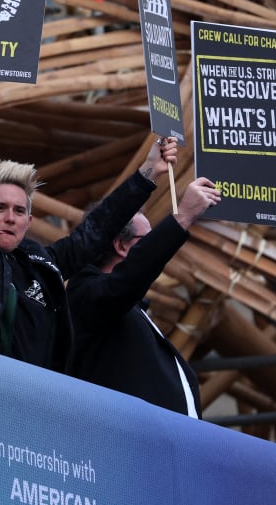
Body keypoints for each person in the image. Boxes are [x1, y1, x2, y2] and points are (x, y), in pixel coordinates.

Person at [0, 73, 174, 371]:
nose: (10, 218)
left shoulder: (42, 263)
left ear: (29, 221)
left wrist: (147, 173)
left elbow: (95, 232)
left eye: (18, 211)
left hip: (37, 401)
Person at [68, 177, 220, 417]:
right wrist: (182, 217)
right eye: (147, 240)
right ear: (121, 245)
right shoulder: (87, 294)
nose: (152, 246)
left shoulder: (127, 310)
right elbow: (125, 282)